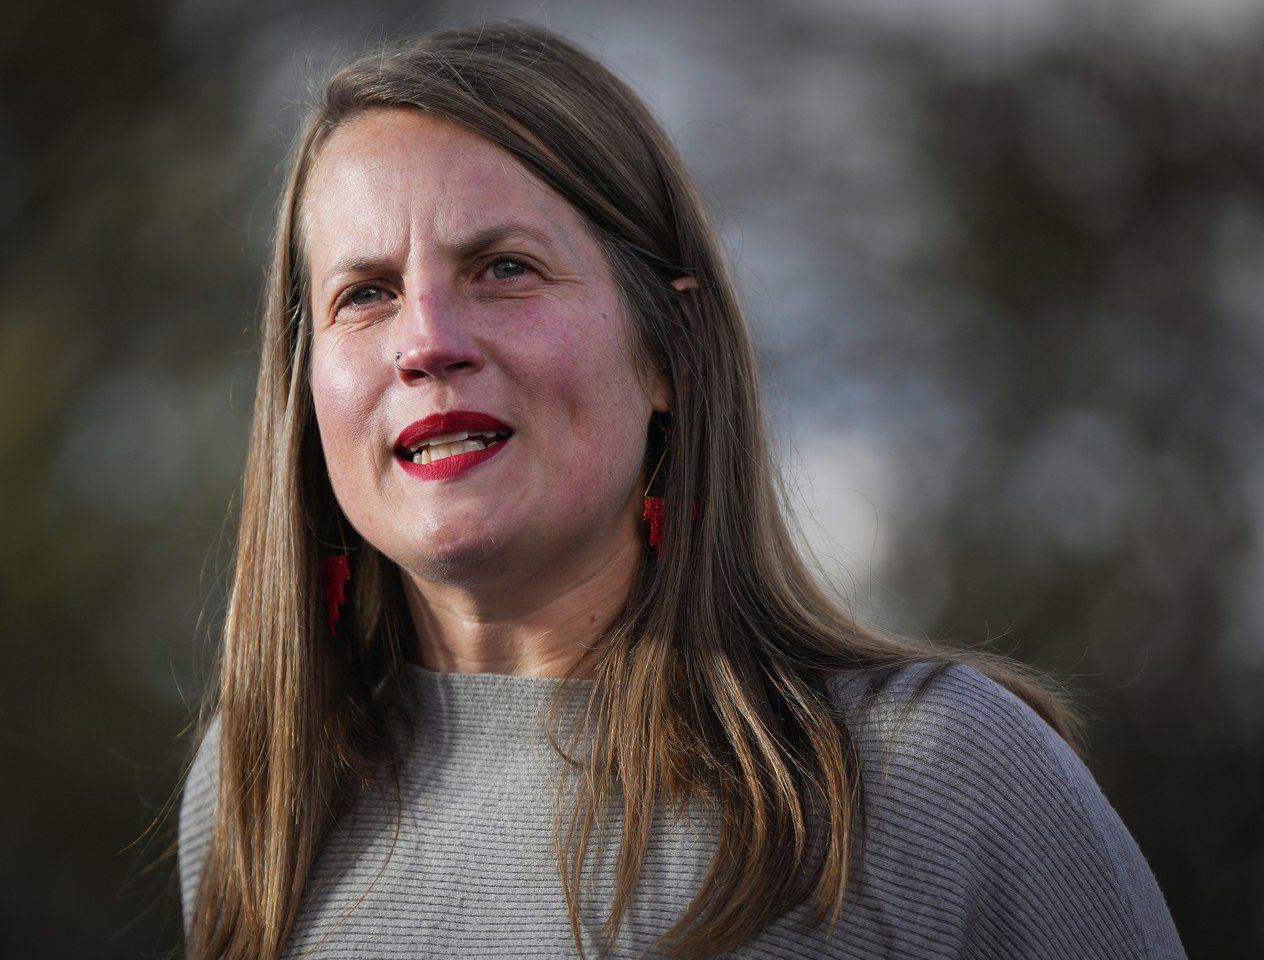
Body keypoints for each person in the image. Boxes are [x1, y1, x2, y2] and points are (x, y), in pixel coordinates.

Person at [179, 22, 1185, 960]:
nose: (427, 342)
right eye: (366, 293)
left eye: (504, 269)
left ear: (667, 353)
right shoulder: (257, 795)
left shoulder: (926, 777)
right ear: (304, 385)